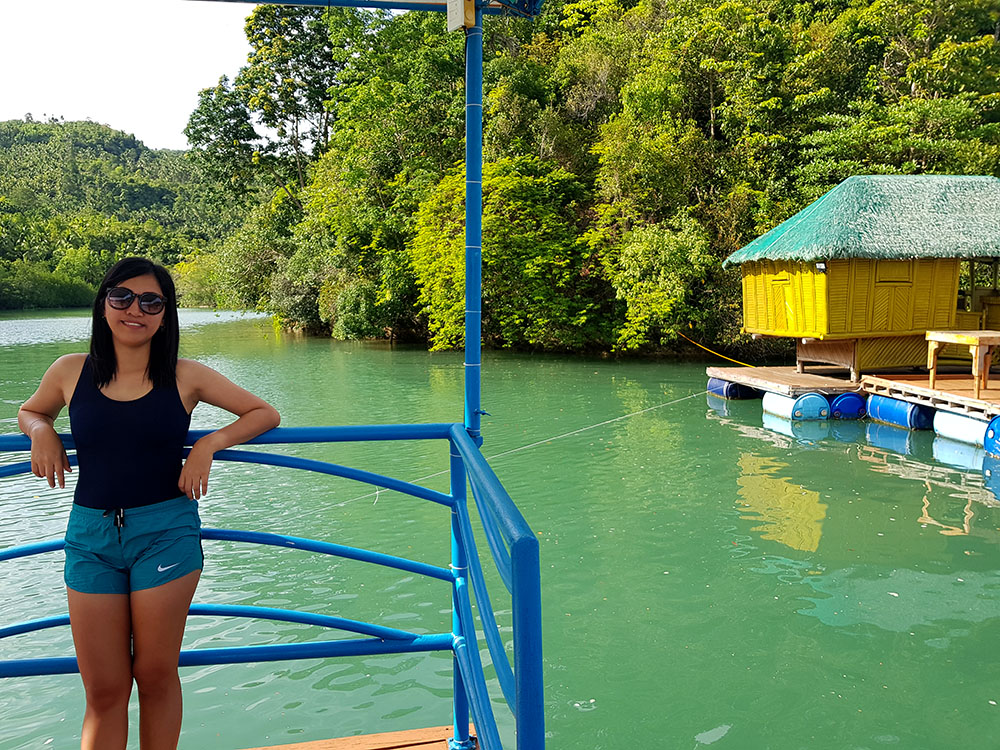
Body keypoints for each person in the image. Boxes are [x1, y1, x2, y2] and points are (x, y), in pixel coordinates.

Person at [17, 257, 281, 750]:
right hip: (91, 539)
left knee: (156, 674)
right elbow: (31, 409)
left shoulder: (186, 375)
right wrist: (41, 430)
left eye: (151, 301)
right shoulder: (70, 371)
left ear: (166, 314)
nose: (134, 310)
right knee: (104, 688)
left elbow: (263, 412)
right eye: (121, 297)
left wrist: (207, 445)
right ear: (103, 305)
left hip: (166, 533)